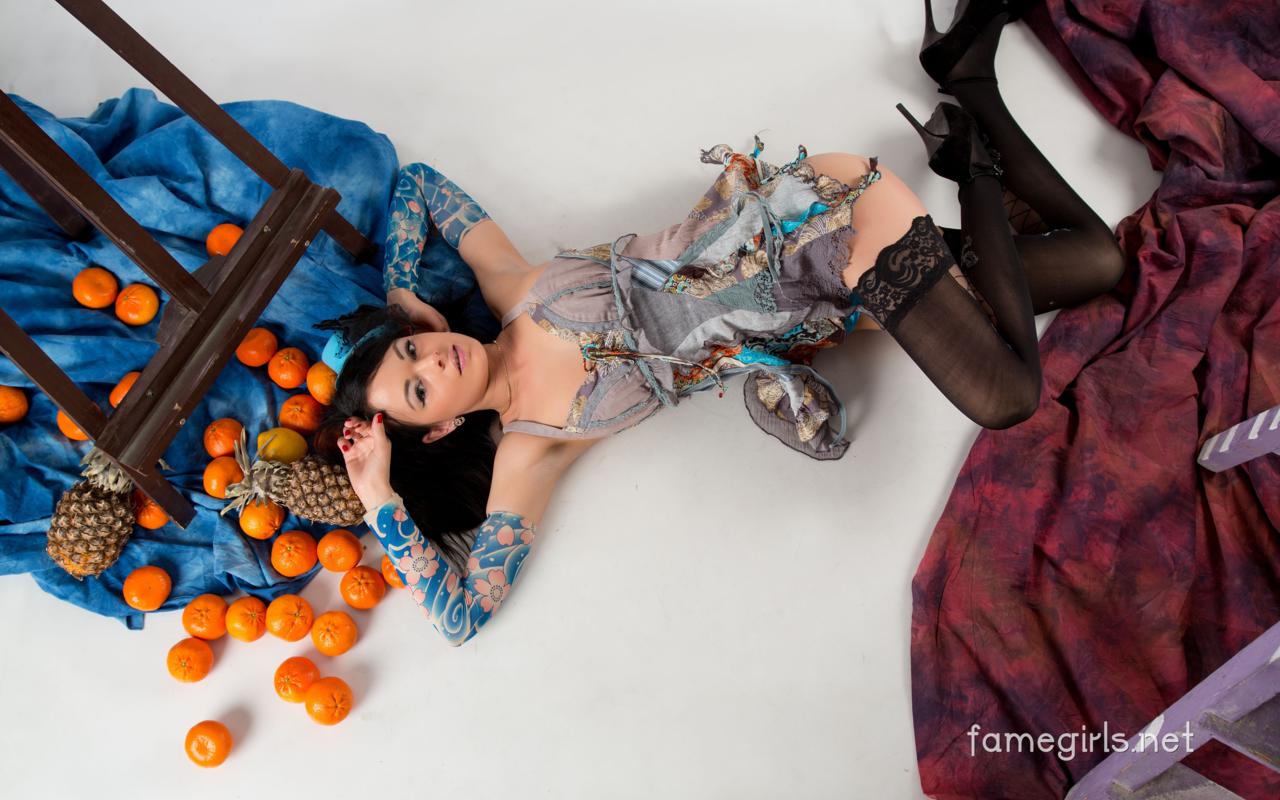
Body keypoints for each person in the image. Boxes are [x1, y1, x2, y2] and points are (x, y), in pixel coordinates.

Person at [317, 0, 1126, 646]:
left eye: (413, 349)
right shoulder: (532, 448)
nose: (436, 359)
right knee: (1096, 264)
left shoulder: (511, 287)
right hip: (844, 301)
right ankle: (967, 77)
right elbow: (461, 616)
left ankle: (970, 165)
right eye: (419, 389)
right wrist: (378, 493)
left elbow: (417, 183)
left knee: (1005, 396)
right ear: (439, 430)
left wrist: (401, 292)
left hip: (818, 222)